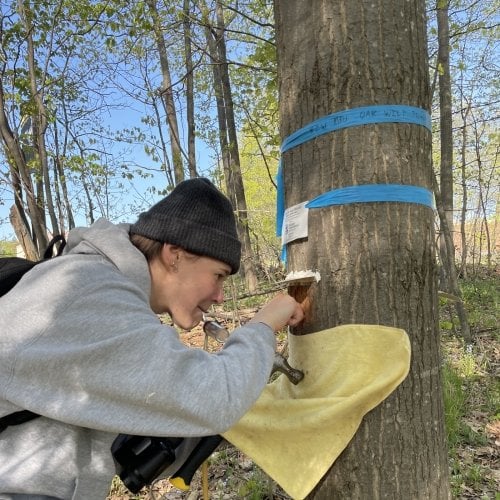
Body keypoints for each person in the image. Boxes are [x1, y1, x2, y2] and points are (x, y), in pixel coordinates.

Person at [0, 178, 304, 499]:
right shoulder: (88, 290)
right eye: (218, 276)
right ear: (175, 254)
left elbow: (140, 430)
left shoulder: (95, 286)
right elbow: (213, 399)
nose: (219, 296)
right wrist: (263, 326)